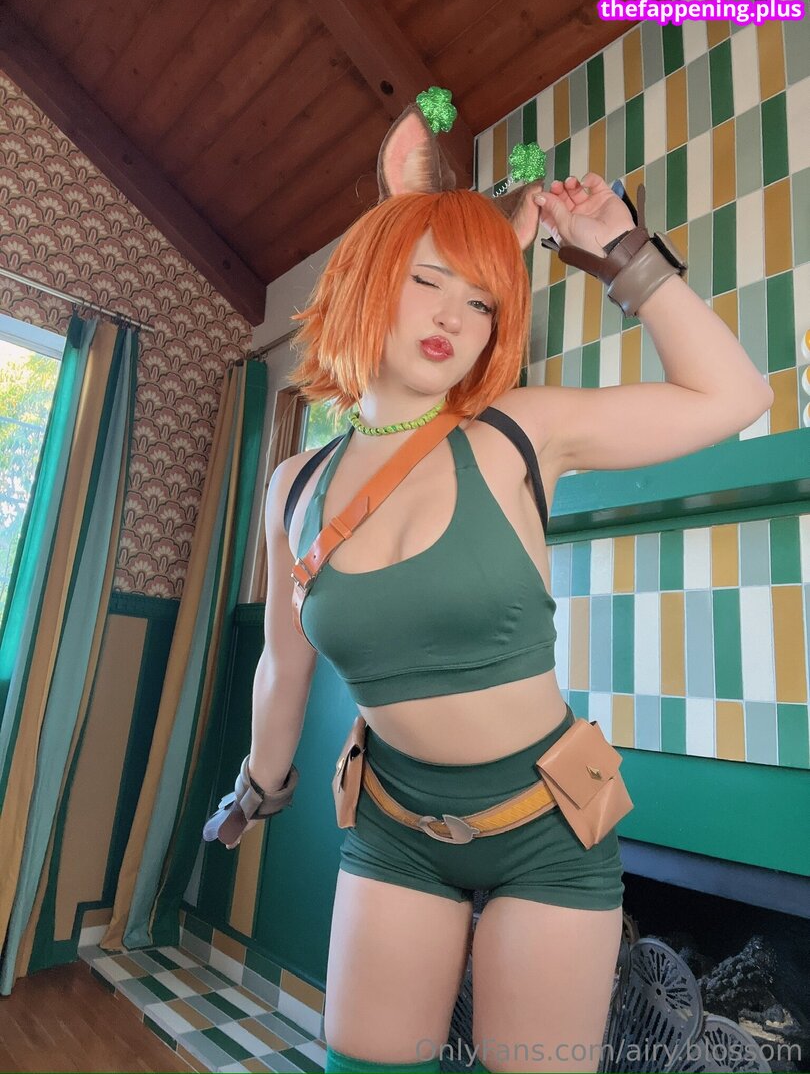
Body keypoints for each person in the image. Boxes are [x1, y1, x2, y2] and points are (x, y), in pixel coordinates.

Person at [206, 97, 773, 1074]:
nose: (453, 317)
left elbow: (735, 394)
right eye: (429, 280)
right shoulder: (291, 486)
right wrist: (256, 789)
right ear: (369, 278)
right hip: (393, 824)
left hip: (546, 824)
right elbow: (282, 665)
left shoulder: (520, 432)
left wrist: (620, 249)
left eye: (482, 302)